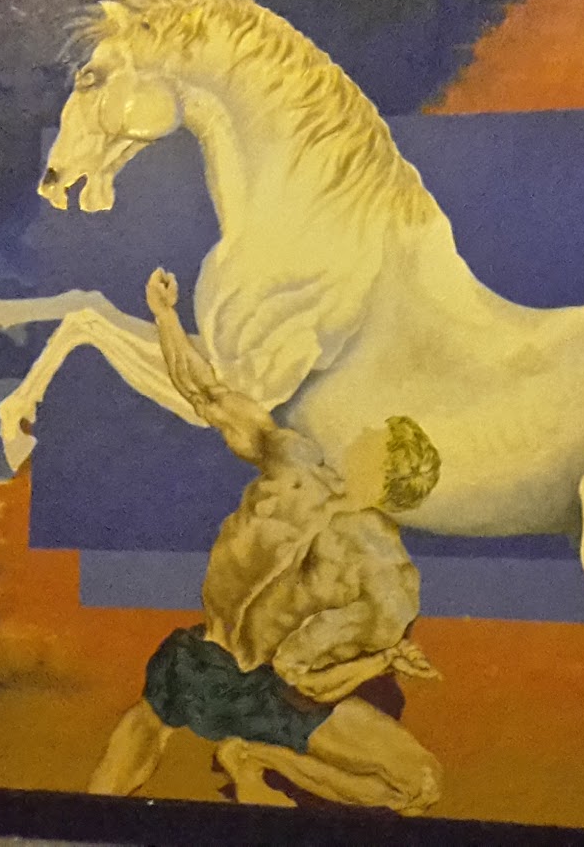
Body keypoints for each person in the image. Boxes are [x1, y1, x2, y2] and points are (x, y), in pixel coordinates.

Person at [87, 268, 443, 815]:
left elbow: (207, 395)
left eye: (372, 437)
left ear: (381, 465)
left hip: (203, 664)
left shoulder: (294, 466)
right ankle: (256, 756)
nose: (359, 435)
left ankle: (109, 809)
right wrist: (383, 661)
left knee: (146, 728)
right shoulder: (388, 575)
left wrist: (166, 317)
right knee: (420, 786)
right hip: (269, 698)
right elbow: (307, 681)